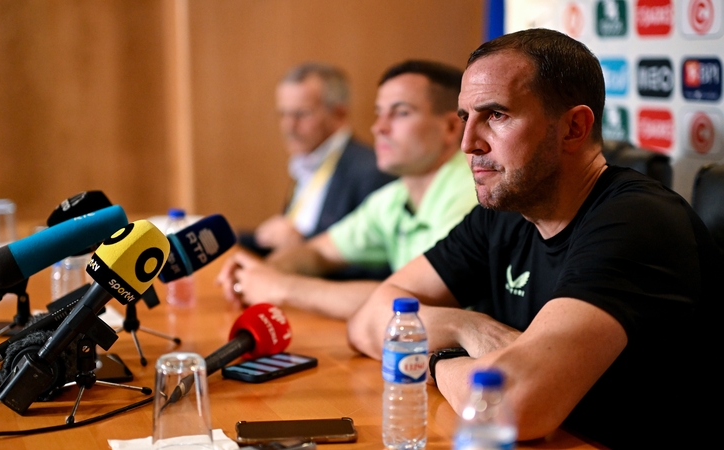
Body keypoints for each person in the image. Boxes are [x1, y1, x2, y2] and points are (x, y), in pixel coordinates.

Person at [347, 29, 719, 447]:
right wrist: (468, 328)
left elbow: (513, 406)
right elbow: (368, 323)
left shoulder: (638, 221)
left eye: (497, 116)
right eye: (466, 117)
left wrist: (435, 360)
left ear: (574, 127)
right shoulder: (507, 214)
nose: (469, 143)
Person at [218, 61, 477, 320]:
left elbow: (411, 303)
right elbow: (318, 252)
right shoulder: (394, 197)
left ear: (451, 128)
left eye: (400, 113)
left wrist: (282, 287)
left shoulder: (470, 193)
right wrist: (259, 273)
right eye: (379, 113)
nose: (379, 128)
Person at [239, 62, 395, 256]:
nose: (289, 126)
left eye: (301, 114)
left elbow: (373, 256)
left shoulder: (371, 170)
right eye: (283, 114)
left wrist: (301, 243)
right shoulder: (306, 162)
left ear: (339, 113)